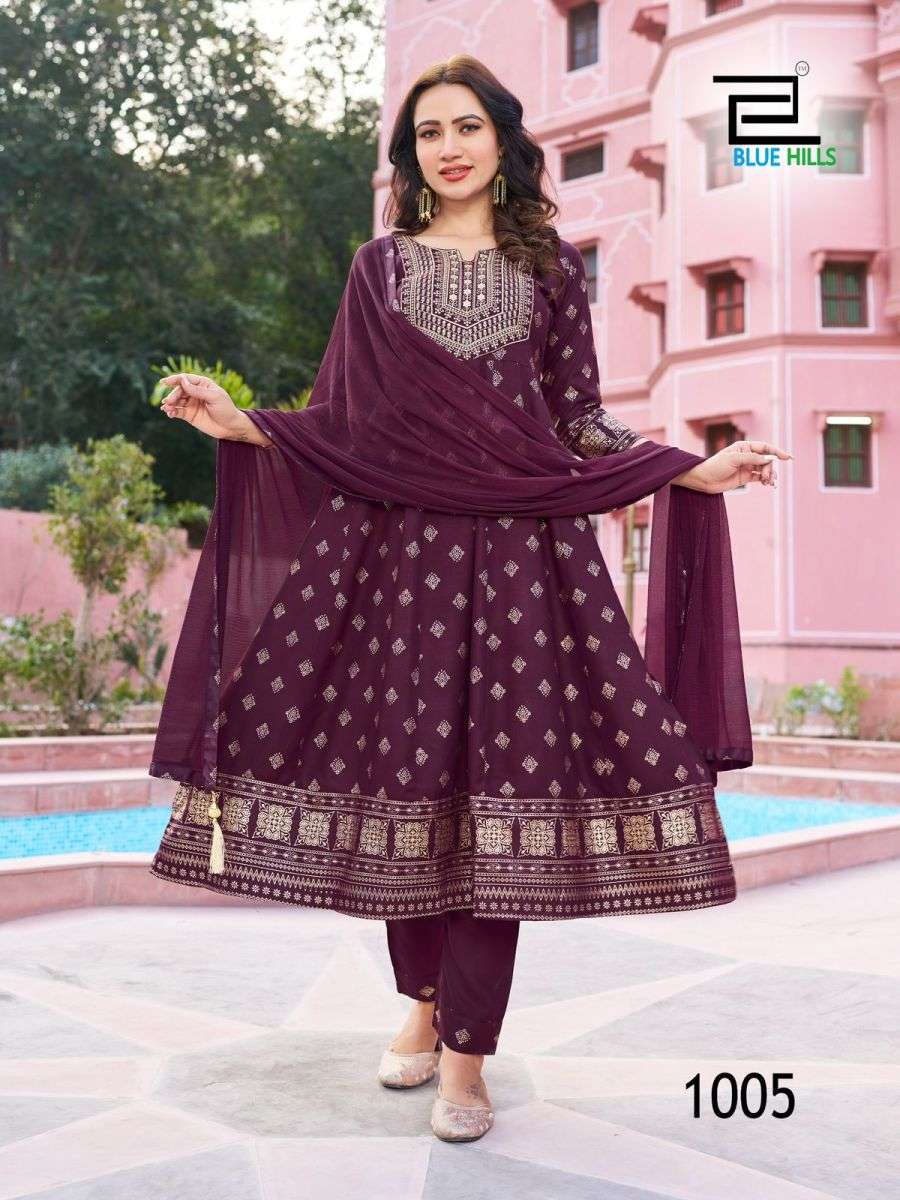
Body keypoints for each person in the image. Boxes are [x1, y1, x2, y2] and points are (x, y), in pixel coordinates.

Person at [149, 55, 791, 1144]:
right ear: (412, 156)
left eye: (467, 127)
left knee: (504, 803)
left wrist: (689, 469)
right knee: (403, 792)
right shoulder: (379, 269)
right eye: (428, 133)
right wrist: (240, 421)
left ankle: (467, 1057)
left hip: (524, 567)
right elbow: (346, 419)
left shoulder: (551, 271)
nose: (447, 148)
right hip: (393, 561)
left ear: (503, 141)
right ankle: (421, 1001)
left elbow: (578, 420)